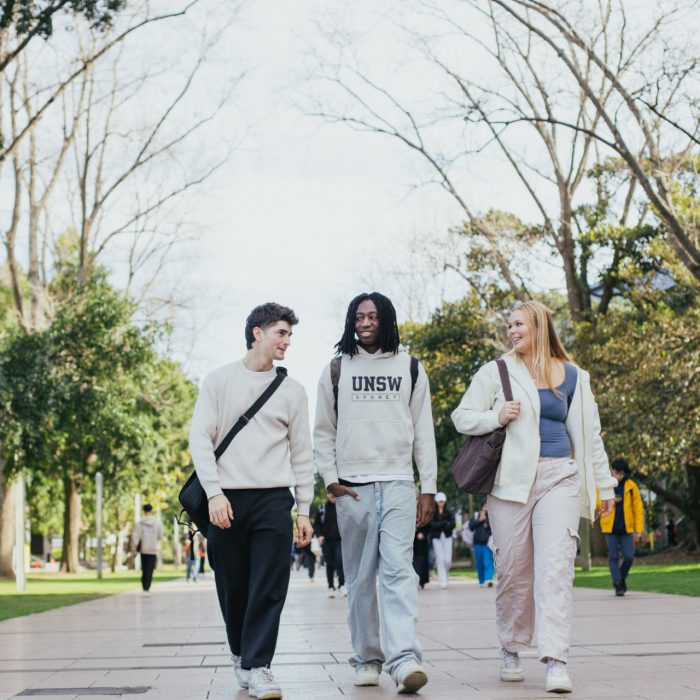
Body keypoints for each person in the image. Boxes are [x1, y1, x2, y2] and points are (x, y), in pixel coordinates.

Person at [451, 300, 617, 695]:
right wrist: (496, 416)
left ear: (539, 326)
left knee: (556, 568)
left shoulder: (576, 376)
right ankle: (511, 647)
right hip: (510, 484)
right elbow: (462, 416)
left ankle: (556, 659)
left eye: (518, 324)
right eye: (509, 325)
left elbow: (590, 436)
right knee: (513, 570)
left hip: (560, 477)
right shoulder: (497, 371)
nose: (512, 331)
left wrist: (605, 487)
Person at [189, 302, 314, 700]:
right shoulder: (219, 381)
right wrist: (213, 494)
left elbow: (302, 453)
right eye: (281, 333)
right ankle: (241, 653)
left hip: (274, 500)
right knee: (232, 584)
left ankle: (259, 665)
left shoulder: (293, 392)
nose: (287, 342)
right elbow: (200, 441)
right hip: (225, 499)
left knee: (270, 584)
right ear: (257, 332)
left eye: (290, 335)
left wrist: (305, 509)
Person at [314, 291, 438, 694]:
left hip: (400, 483)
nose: (365, 323)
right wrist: (330, 478)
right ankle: (368, 658)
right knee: (361, 577)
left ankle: (405, 661)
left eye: (373, 316)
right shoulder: (336, 369)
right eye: (359, 317)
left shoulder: (412, 367)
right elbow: (323, 431)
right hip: (353, 488)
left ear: (387, 319)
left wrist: (428, 488)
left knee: (400, 572)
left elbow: (424, 433)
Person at [598, 458, 644, 596]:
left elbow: (638, 509)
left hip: (626, 529)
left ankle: (621, 577)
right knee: (613, 557)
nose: (618, 476)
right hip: (610, 528)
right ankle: (618, 584)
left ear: (625, 473)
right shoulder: (605, 484)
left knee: (629, 556)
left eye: (621, 473)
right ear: (611, 470)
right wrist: (610, 500)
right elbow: (597, 501)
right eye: (615, 472)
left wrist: (639, 530)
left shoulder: (631, 486)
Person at [313, 494, 346, 597]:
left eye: (335, 494)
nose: (333, 496)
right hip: (326, 542)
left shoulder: (343, 507)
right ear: (327, 494)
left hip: (340, 541)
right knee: (329, 564)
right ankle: (331, 586)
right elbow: (317, 524)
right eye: (331, 493)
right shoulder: (322, 509)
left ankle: (342, 585)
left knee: (340, 561)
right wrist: (319, 536)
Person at [131, 504, 163, 596]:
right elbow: (160, 536)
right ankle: (147, 588)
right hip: (152, 549)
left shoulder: (139, 523)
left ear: (143, 511)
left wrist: (134, 549)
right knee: (150, 570)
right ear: (151, 510)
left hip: (143, 549)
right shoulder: (157, 523)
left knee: (144, 569)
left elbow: (135, 537)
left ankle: (144, 587)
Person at [429, 492, 455, 589]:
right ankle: (442, 581)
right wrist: (444, 523)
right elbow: (432, 525)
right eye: (439, 501)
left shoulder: (449, 512)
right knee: (441, 559)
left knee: (447, 560)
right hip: (437, 538)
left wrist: (440, 524)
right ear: (436, 502)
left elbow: (452, 524)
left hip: (447, 538)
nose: (441, 503)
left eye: (442, 501)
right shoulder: (433, 513)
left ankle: (445, 575)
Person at [468, 503, 495, 587]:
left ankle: (489, 579)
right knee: (479, 563)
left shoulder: (493, 515)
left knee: (488, 562)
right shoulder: (476, 515)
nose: (486, 508)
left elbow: (494, 527)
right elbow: (471, 526)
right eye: (484, 506)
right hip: (477, 544)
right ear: (482, 507)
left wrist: (486, 519)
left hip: (488, 544)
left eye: (487, 506)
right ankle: (481, 580)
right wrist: (480, 520)